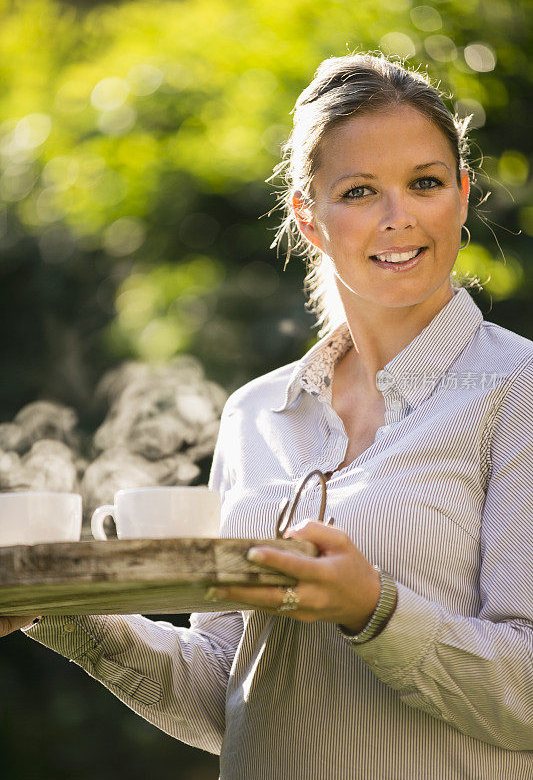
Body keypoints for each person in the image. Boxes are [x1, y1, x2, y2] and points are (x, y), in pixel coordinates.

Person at [2, 52, 532, 778]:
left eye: (425, 183)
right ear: (308, 218)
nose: (398, 216)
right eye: (358, 190)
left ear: (462, 194)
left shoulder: (516, 387)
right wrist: (57, 606)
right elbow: (228, 691)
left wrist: (373, 610)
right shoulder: (257, 412)